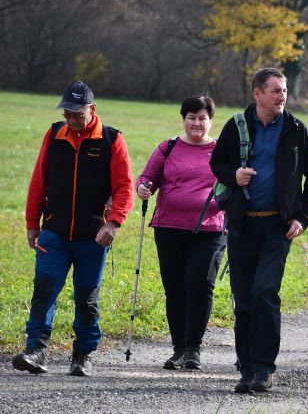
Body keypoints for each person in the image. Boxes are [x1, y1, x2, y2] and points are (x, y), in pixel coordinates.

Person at [210, 67, 308, 394]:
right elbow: (217, 163)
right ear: (257, 93)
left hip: (278, 226)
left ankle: (264, 368)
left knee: (264, 291)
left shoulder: (297, 129)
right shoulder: (236, 126)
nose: (282, 96)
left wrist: (303, 217)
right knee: (243, 297)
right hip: (242, 224)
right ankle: (246, 368)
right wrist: (234, 175)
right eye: (275, 90)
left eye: (284, 90)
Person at [13, 81, 134, 377]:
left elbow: (124, 187)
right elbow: (38, 181)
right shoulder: (54, 135)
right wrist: (32, 223)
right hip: (54, 232)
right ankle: (36, 350)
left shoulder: (111, 140)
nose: (71, 119)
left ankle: (82, 355)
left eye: (76, 114)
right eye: (67, 113)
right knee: (44, 290)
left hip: (93, 236)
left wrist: (113, 222)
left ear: (92, 109)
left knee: (86, 297)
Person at [136, 96, 226, 371]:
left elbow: (234, 182)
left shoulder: (223, 151)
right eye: (191, 117)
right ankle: (179, 349)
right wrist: (144, 187)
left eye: (202, 118)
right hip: (169, 228)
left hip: (209, 230)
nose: (196, 123)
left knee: (200, 284)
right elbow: (146, 176)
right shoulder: (168, 147)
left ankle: (193, 349)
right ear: (183, 119)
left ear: (211, 121)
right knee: (174, 288)